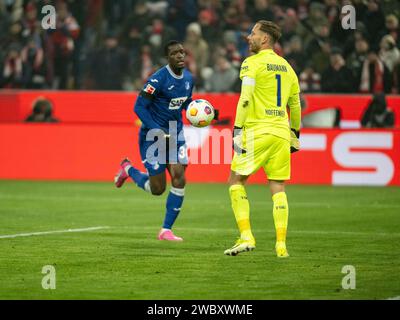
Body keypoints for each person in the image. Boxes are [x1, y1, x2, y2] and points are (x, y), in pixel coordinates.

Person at [114, 40, 217, 241]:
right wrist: (156, 129)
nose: (180, 56)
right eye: (175, 53)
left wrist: (206, 113)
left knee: (179, 176)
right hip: (153, 137)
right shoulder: (157, 79)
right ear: (167, 58)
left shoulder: (188, 78)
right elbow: (139, 107)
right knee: (157, 189)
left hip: (175, 133)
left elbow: (184, 102)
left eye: (182, 52)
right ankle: (128, 170)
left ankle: (165, 230)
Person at [224, 21, 301, 258]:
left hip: (257, 131)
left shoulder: (251, 63)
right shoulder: (287, 68)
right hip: (280, 132)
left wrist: (237, 129)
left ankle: (246, 236)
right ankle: (281, 246)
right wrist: (294, 135)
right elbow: (295, 105)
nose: (249, 37)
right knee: (277, 187)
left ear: (265, 39)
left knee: (236, 180)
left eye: (253, 34)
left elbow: (245, 98)